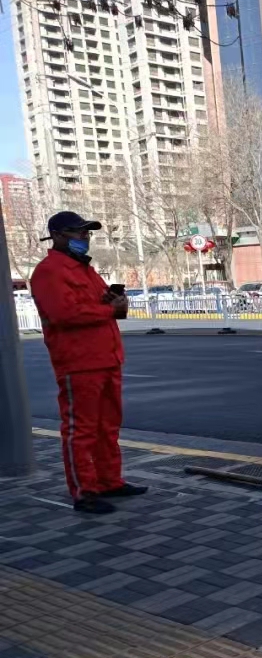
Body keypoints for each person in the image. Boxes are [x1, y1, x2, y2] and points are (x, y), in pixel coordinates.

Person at [31, 211, 147, 514]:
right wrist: (110, 311)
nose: (84, 237)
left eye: (87, 232)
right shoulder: (49, 271)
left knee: (107, 427)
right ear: (57, 235)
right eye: (78, 232)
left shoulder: (85, 269)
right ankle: (84, 492)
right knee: (81, 430)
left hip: (107, 358)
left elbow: (96, 307)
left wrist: (115, 302)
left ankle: (109, 481)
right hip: (79, 363)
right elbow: (64, 315)